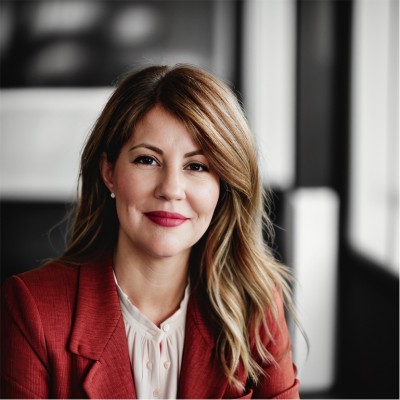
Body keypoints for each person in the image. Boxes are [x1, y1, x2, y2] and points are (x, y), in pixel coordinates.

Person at [1, 64, 300, 399]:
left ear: (223, 186)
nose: (170, 189)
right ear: (109, 172)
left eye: (196, 166)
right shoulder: (33, 308)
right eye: (147, 160)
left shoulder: (256, 305)